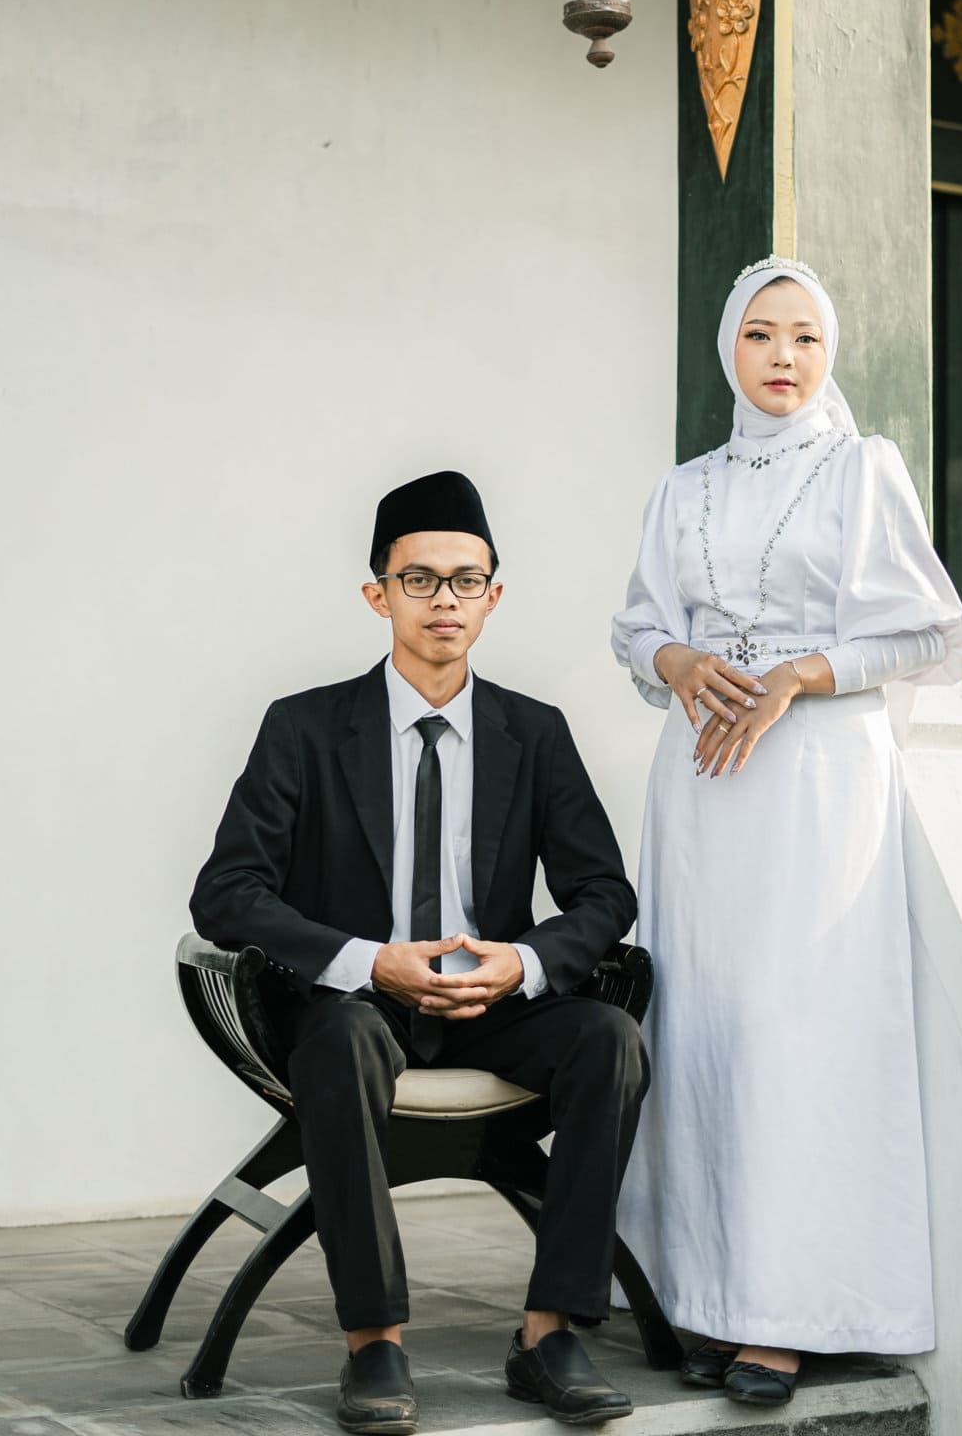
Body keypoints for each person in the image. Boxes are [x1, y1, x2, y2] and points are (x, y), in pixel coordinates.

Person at [192, 470, 645, 1434]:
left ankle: (551, 1332)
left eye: (466, 580)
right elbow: (227, 892)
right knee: (344, 1039)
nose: (446, 600)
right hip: (359, 1009)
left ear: (493, 595)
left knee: (609, 1039)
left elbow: (605, 894)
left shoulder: (535, 733)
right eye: (420, 579)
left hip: (494, 1009)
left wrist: (522, 964)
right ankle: (375, 1341)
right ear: (379, 595)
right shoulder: (305, 727)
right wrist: (367, 960)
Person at [611, 258, 962, 1405]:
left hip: (817, 784)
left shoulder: (862, 470)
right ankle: (701, 1296)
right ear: (728, 347)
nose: (782, 356)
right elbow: (634, 630)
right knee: (703, 1026)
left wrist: (797, 676)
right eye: (761, 334)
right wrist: (678, 659)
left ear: (828, 354)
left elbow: (932, 634)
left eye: (805, 337)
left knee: (797, 1029)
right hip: (700, 788)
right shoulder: (681, 489)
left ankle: (789, 1316)